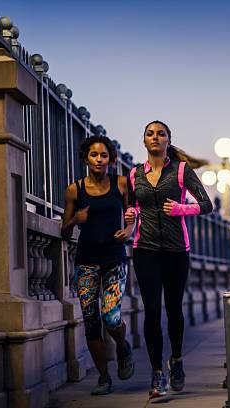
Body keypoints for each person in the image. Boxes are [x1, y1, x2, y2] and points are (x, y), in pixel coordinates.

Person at [125, 120, 212, 398]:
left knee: (173, 310)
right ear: (144, 140)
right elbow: (134, 206)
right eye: (150, 134)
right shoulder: (134, 173)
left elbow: (206, 204)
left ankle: (176, 360)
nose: (155, 137)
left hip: (176, 250)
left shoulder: (182, 171)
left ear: (168, 141)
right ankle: (157, 374)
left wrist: (180, 209)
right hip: (145, 249)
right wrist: (131, 216)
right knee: (151, 311)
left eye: (160, 134)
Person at [61, 135, 136, 395]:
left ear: (111, 160)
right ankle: (104, 377)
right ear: (86, 158)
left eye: (104, 155)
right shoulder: (74, 189)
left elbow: (132, 215)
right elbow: (63, 231)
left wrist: (128, 229)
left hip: (114, 258)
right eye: (94, 155)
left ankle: (123, 347)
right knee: (91, 321)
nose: (99, 159)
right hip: (86, 261)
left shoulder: (122, 184)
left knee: (111, 316)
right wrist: (75, 219)